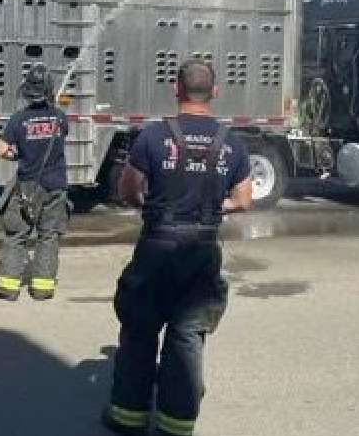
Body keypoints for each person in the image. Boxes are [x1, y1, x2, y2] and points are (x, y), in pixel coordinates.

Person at [102, 61, 254, 436]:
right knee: (187, 334)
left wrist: (150, 205)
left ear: (176, 90)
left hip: (156, 245)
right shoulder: (230, 142)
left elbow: (128, 189)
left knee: (139, 329)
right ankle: (176, 423)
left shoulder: (153, 136)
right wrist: (216, 207)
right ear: (214, 93)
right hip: (201, 249)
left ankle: (128, 416)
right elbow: (244, 200)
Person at [0, 63, 71, 301]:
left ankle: (7, 286)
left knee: (17, 233)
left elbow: (4, 150)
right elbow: (58, 139)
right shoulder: (60, 118)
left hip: (27, 186)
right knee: (48, 235)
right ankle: (43, 288)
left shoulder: (18, 120)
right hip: (55, 186)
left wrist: (10, 152)